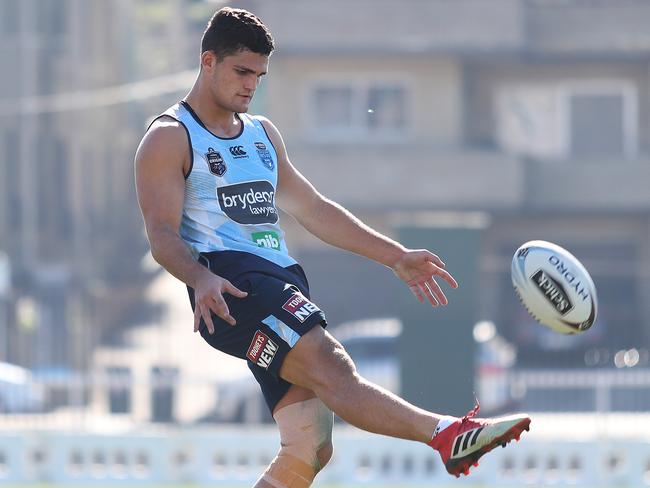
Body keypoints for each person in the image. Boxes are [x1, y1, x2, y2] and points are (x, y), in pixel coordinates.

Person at [134, 7, 530, 486]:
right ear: (208, 61)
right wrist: (199, 277)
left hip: (277, 279)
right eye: (241, 72)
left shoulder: (261, 135)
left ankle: (443, 435)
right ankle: (446, 434)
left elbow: (315, 209)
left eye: (258, 76)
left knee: (310, 446)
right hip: (235, 285)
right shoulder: (169, 137)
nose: (249, 85)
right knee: (333, 364)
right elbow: (161, 234)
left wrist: (395, 256)